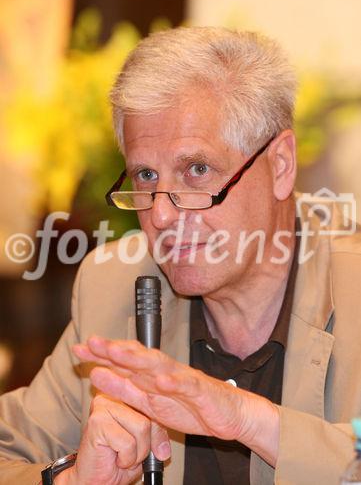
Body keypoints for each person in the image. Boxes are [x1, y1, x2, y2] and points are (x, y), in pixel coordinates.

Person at [0, 26, 360, 485]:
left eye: (197, 170)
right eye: (146, 174)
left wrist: (249, 420)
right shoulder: (116, 283)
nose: (164, 215)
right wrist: (71, 480)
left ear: (281, 165)